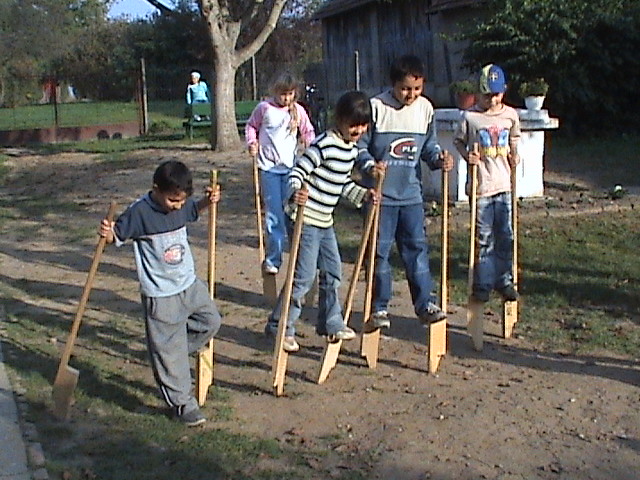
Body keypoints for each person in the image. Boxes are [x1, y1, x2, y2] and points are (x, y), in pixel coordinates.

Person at [98, 160, 222, 427]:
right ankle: (183, 404)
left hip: (189, 284)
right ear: (156, 189)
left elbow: (191, 210)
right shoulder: (139, 212)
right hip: (160, 294)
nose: (177, 206)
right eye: (173, 200)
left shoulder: (181, 204)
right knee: (168, 352)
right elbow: (116, 236)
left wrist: (207, 202)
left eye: (181, 200)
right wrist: (107, 234)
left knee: (211, 321)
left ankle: (172, 356)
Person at [265, 91, 383, 352]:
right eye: (353, 125)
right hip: (305, 218)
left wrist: (364, 195)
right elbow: (297, 172)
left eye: (363, 126)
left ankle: (331, 322)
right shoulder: (325, 144)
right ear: (340, 119)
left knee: (333, 271)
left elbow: (340, 184)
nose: (358, 131)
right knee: (303, 277)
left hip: (324, 220)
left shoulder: (351, 150)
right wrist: (296, 191)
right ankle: (280, 326)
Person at [356, 54, 453, 330]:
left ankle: (425, 305)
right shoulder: (376, 108)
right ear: (393, 84)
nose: (411, 95)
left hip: (411, 196)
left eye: (417, 88)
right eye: (405, 89)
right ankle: (379, 307)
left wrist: (439, 160)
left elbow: (429, 148)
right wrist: (370, 165)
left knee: (416, 250)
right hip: (380, 197)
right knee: (379, 253)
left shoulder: (425, 109)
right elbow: (359, 145)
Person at [453, 63, 521, 303]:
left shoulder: (510, 115)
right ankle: (482, 283)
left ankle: (504, 280)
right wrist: (467, 156)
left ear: (504, 91)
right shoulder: (470, 117)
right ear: (478, 92)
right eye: (486, 95)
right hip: (481, 186)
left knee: (505, 235)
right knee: (484, 238)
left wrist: (515, 155)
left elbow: (514, 138)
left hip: (504, 185)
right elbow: (458, 141)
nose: (492, 100)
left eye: (496, 95)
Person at [245, 73, 315, 274]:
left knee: (292, 214)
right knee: (274, 215)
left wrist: (310, 145)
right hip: (269, 169)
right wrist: (252, 142)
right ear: (275, 91)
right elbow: (251, 126)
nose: (286, 98)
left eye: (290, 94)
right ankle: (273, 259)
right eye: (283, 94)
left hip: (291, 170)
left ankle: (299, 257)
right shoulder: (264, 108)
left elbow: (308, 131)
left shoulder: (298, 111)